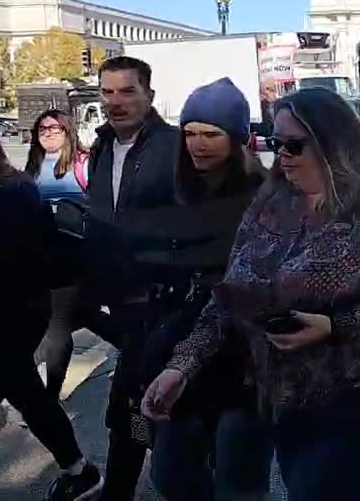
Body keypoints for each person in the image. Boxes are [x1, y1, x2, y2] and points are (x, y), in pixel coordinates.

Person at [143, 87, 360, 501]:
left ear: (332, 144)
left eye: (295, 145)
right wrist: (182, 366)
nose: (281, 154)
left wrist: (335, 326)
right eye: (275, 142)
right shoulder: (270, 204)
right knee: (319, 490)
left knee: (316, 492)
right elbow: (229, 297)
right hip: (289, 385)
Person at [138, 78, 273, 501]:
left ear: (236, 138)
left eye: (211, 134)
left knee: (239, 482)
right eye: (190, 133)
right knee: (171, 474)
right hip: (178, 353)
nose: (198, 144)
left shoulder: (267, 197)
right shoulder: (175, 191)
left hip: (243, 362)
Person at [84, 55, 183, 501]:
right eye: (108, 92)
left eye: (128, 91)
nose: (116, 102)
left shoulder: (175, 147)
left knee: (138, 402)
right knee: (137, 397)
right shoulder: (104, 146)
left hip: (166, 304)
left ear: (149, 96)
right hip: (123, 304)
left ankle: (125, 486)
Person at [0, 133, 103, 499]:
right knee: (22, 389)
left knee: (24, 389)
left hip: (15, 310)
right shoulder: (15, 186)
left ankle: (80, 470)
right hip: (18, 307)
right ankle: (78, 469)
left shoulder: (10, 193)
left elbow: (14, 257)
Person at [25, 109, 92, 400]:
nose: (49, 133)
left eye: (56, 128)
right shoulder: (33, 166)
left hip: (72, 252)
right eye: (42, 129)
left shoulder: (84, 164)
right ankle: (131, 344)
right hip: (37, 254)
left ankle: (48, 397)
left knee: (58, 322)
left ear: (68, 131)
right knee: (72, 318)